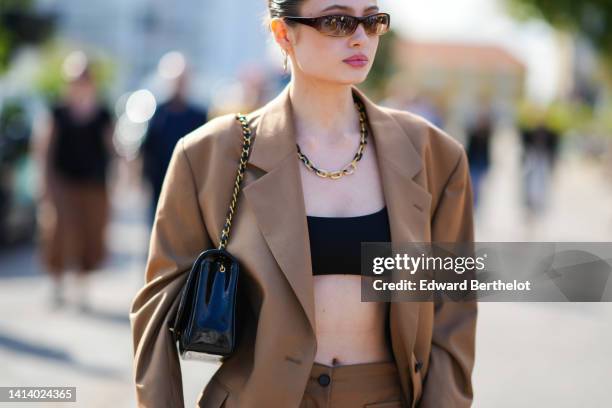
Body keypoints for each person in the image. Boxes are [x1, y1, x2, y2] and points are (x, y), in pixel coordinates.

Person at [130, 1, 477, 407]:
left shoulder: (435, 155)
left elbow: (453, 316)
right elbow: (156, 316)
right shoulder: (209, 154)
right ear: (283, 34)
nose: (359, 35)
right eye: (336, 20)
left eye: (372, 20)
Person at [35, 56, 115, 311]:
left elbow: (112, 147)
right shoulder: (56, 111)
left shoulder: (102, 112)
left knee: (90, 233)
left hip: (94, 184)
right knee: (58, 231)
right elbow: (44, 147)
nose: (79, 84)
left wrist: (119, 181)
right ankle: (57, 283)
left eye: (83, 79)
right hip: (63, 182)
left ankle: (82, 288)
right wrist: (44, 182)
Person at [140, 68, 208, 225]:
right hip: (160, 181)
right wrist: (144, 178)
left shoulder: (198, 115)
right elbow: (147, 148)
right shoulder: (158, 113)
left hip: (189, 184)